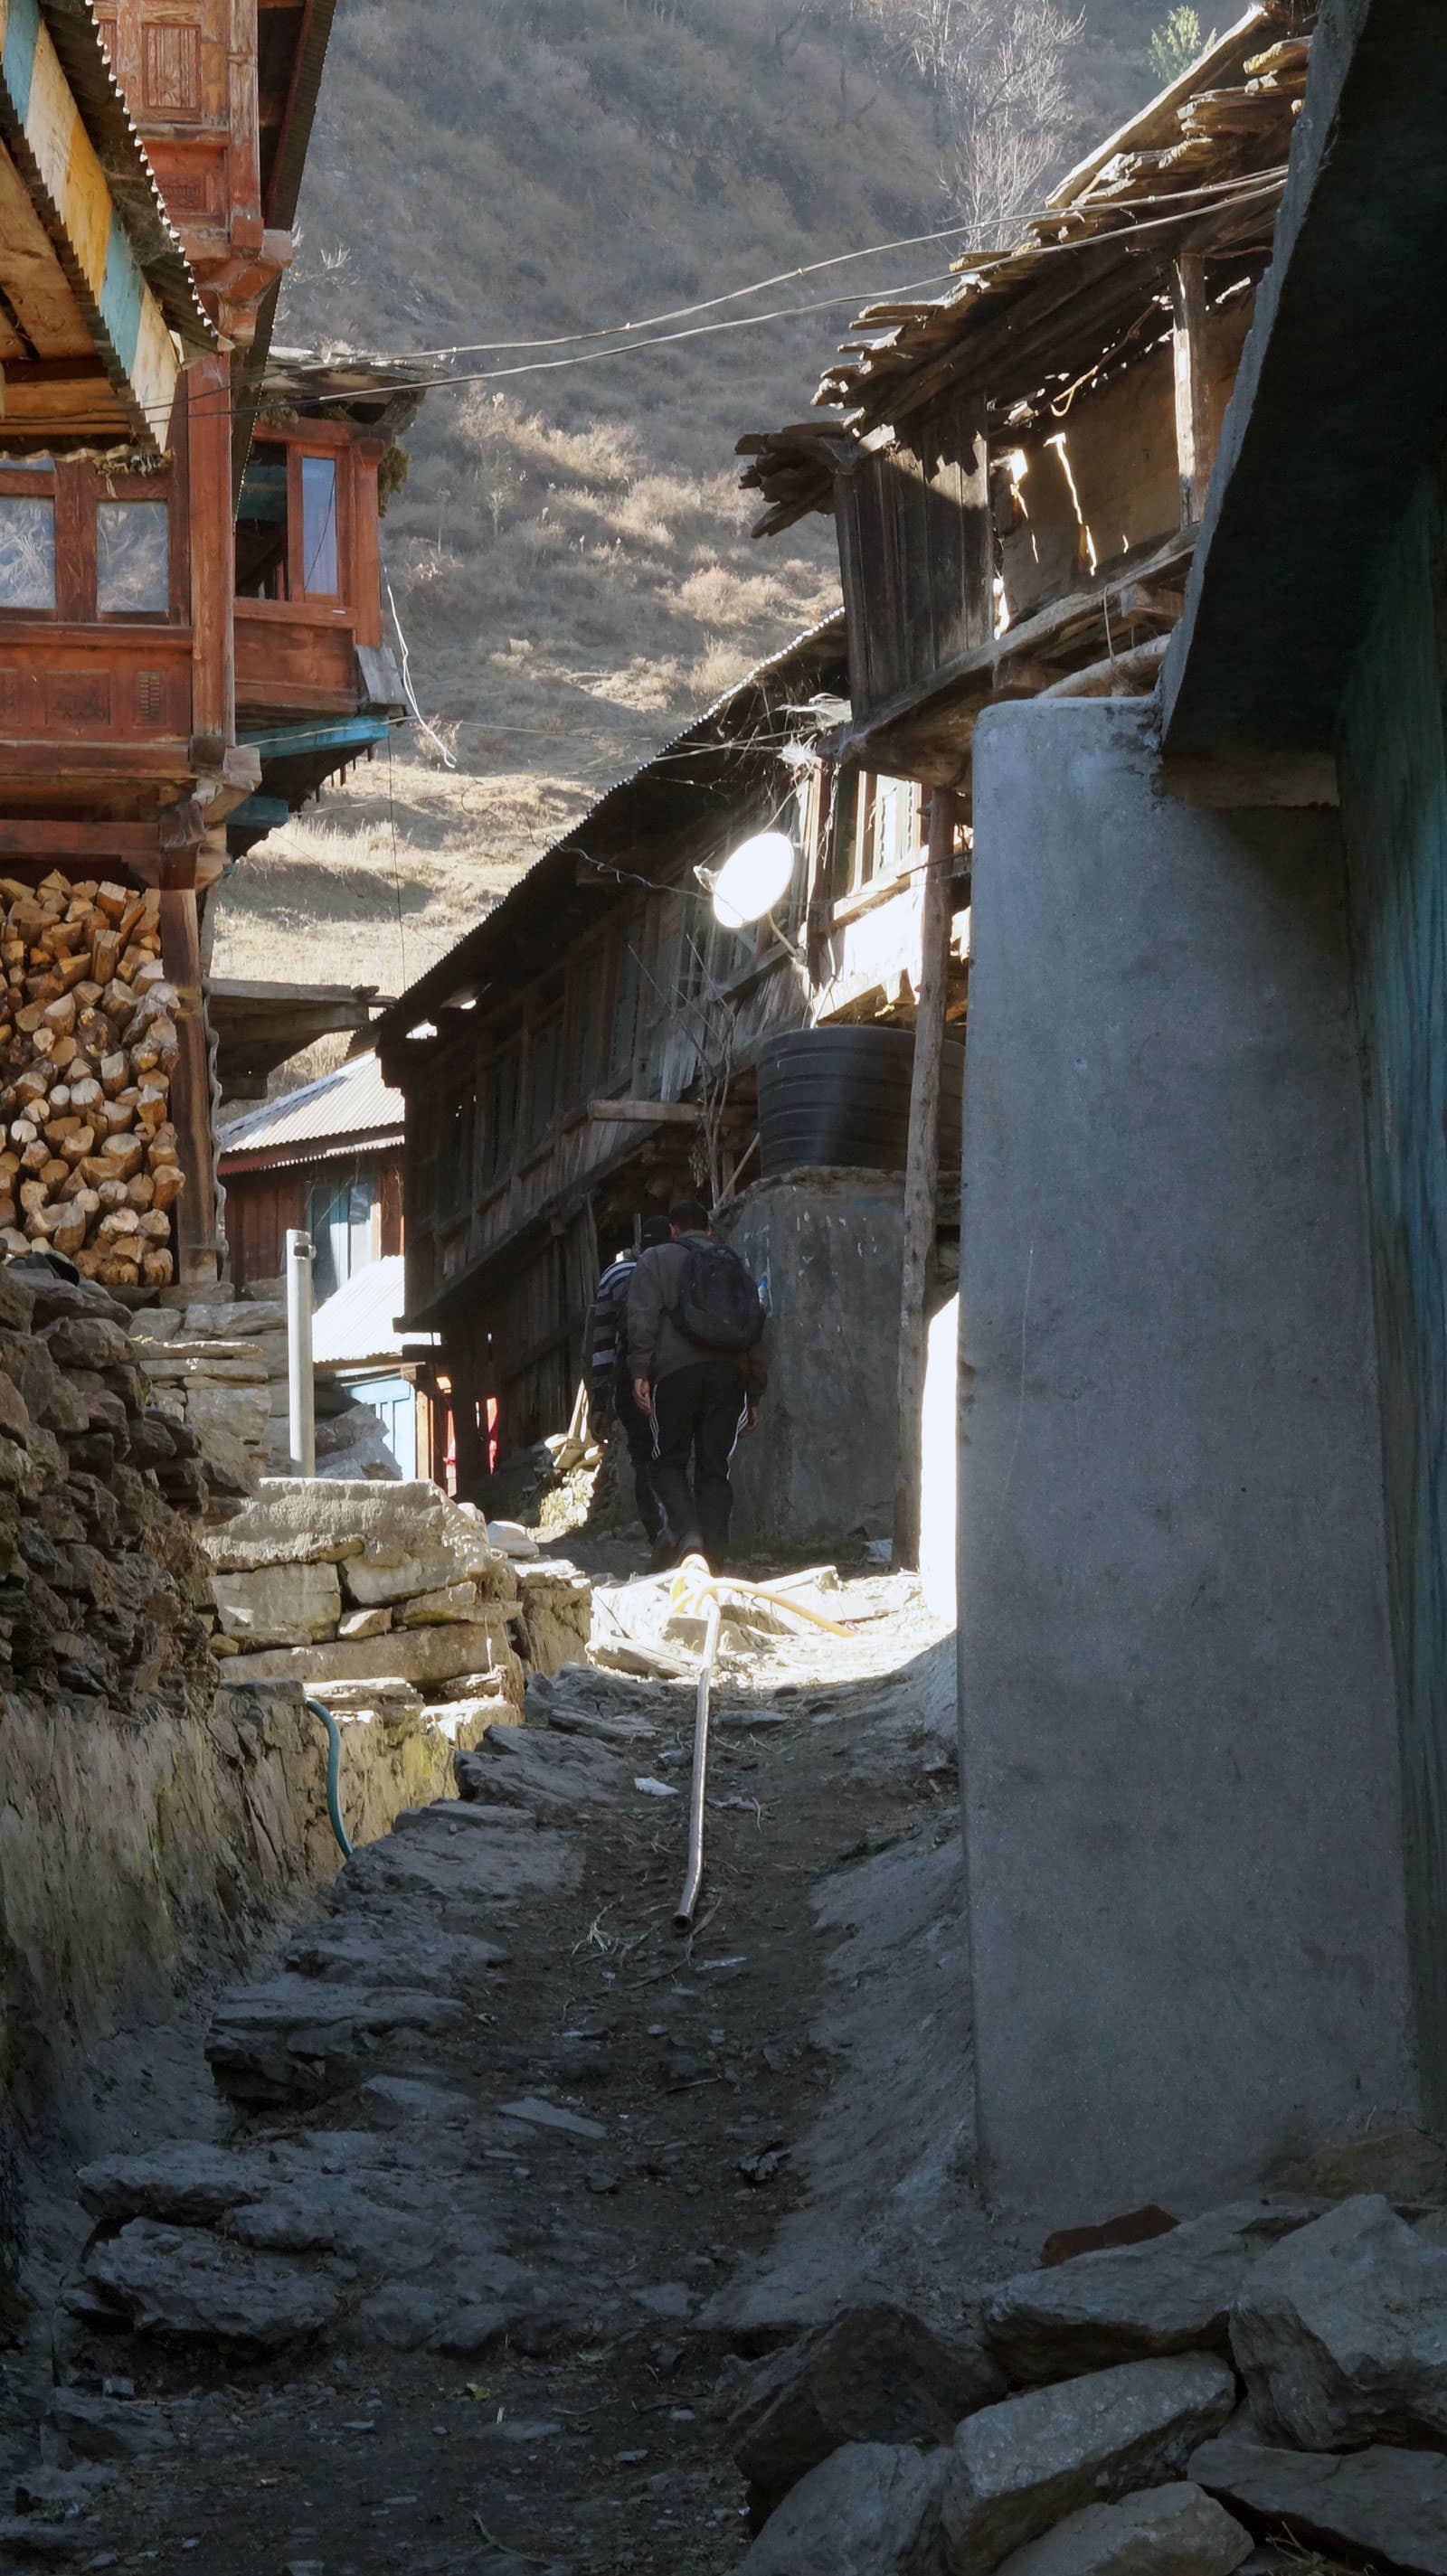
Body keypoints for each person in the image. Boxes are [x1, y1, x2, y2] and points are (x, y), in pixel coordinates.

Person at [626, 1198, 767, 1570]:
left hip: (674, 1375)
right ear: (708, 1229)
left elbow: (642, 1317)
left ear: (673, 1229)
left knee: (666, 1462)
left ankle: (688, 1535)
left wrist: (639, 1370)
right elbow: (754, 1325)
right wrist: (754, 1392)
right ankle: (715, 1562)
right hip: (728, 1375)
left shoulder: (654, 1259)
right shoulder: (733, 1262)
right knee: (714, 1468)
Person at [587, 1213, 672, 1552]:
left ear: (639, 1246)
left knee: (644, 1458)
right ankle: (686, 1532)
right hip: (677, 1373)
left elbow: (603, 1345)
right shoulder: (681, 1268)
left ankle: (658, 1535)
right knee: (675, 1454)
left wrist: (600, 1399)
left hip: (633, 1378)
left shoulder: (617, 1274)